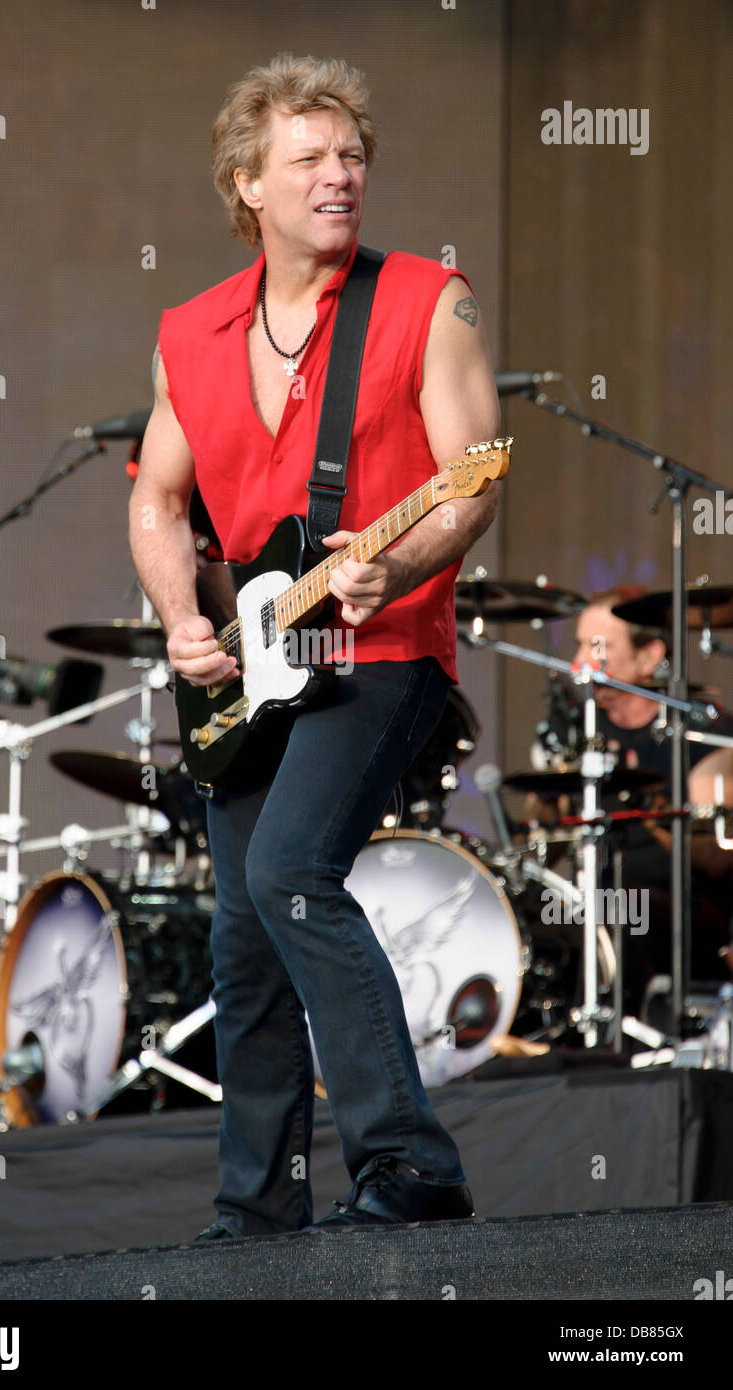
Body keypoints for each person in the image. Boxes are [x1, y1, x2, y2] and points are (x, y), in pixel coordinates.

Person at [129, 54, 501, 1237]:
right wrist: (183, 616)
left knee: (288, 871)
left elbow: (474, 478)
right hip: (253, 663)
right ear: (246, 185)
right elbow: (157, 501)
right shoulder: (188, 332)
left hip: (386, 647)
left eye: (351, 157)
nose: (339, 177)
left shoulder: (426, 299)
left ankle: (410, 1161)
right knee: (243, 929)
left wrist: (399, 561)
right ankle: (259, 1208)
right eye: (309, 160)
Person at [529, 587, 733, 1017]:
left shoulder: (702, 732)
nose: (580, 663)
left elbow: (716, 861)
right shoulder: (578, 732)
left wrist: (654, 815)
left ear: (648, 656)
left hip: (687, 908)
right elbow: (544, 849)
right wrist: (548, 815)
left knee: (619, 908)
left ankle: (622, 1049)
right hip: (596, 898)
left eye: (598, 646)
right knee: (534, 918)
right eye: (580, 644)